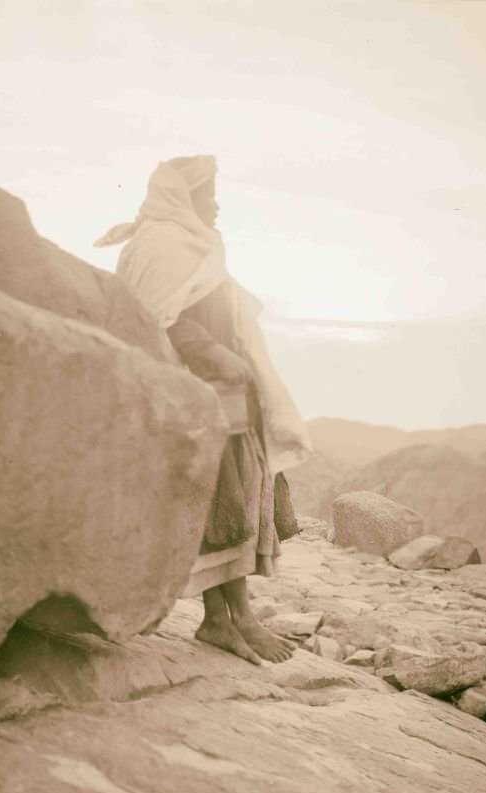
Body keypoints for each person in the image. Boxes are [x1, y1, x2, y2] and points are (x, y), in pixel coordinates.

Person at [95, 156, 312, 664]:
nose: (216, 204)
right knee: (218, 506)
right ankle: (222, 621)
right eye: (207, 193)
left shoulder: (196, 243)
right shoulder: (160, 244)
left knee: (233, 502)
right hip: (192, 395)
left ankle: (239, 618)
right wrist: (214, 355)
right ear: (183, 197)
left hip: (227, 394)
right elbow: (157, 317)